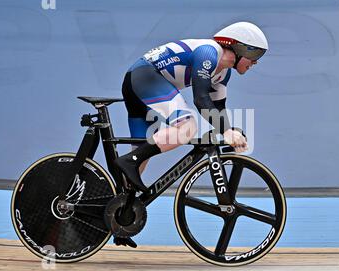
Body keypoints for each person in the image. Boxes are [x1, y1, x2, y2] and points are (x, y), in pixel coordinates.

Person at [115, 22, 268, 193]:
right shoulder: (208, 52)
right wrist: (226, 131)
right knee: (187, 127)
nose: (255, 62)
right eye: (255, 54)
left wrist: (229, 130)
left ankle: (112, 205)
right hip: (145, 78)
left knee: (140, 159)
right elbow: (201, 99)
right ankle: (130, 160)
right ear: (240, 49)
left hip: (139, 83)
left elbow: (218, 107)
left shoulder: (223, 73)